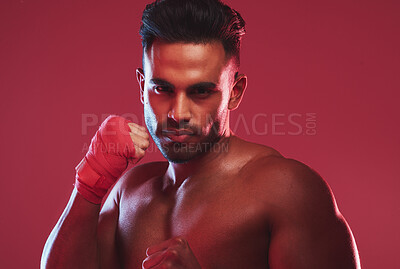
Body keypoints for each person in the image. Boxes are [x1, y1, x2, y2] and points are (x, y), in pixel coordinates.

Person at [41, 0, 361, 268]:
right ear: (142, 87)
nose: (178, 113)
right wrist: (89, 184)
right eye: (162, 88)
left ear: (234, 92)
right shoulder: (129, 193)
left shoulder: (286, 190)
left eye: (201, 92)